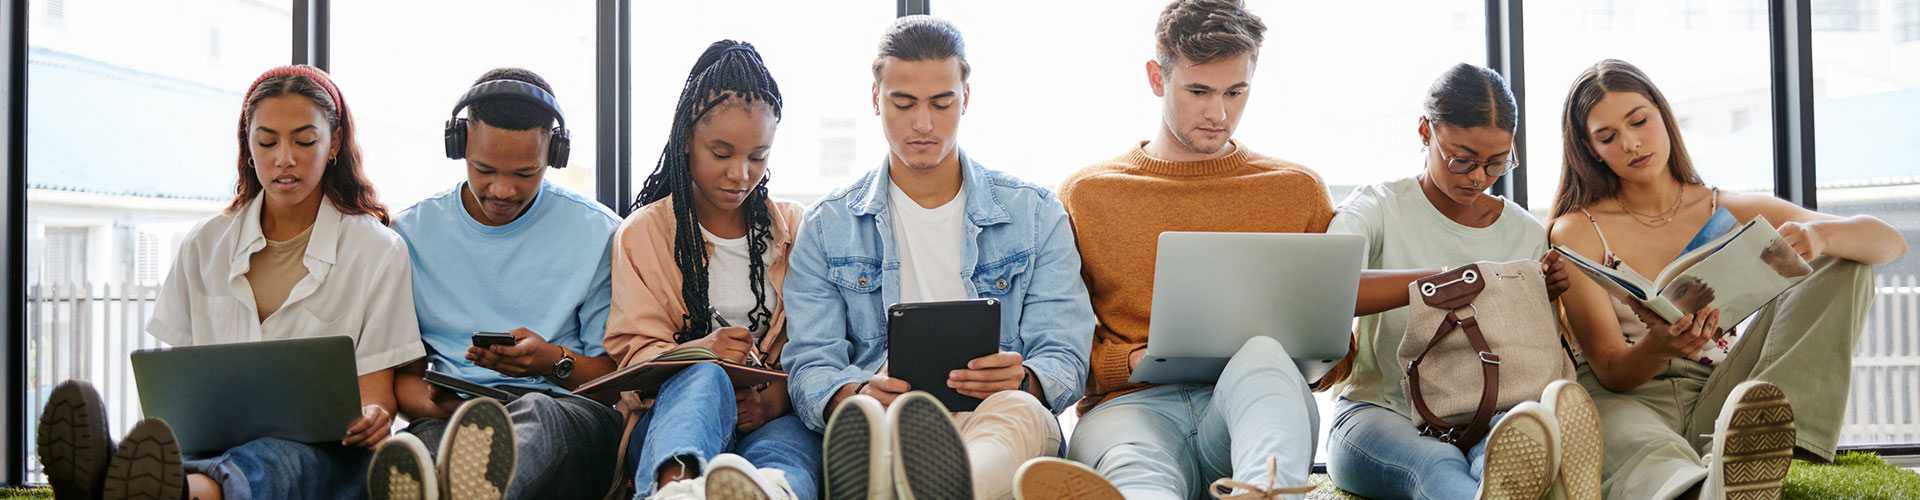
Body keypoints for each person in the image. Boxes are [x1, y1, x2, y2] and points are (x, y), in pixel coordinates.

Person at [36, 65, 423, 500]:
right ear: (248, 143)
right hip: (213, 443)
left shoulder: (378, 250)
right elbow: (180, 386)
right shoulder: (204, 244)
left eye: (304, 140)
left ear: (333, 143)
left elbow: (376, 394)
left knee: (276, 459)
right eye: (267, 141)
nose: (284, 158)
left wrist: (373, 416)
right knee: (198, 451)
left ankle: (160, 488)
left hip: (327, 453)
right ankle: (136, 480)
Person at [1547, 59, 1906, 500]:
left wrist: (1819, 235)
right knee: (1645, 448)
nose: (1632, 143)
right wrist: (1659, 345)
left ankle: (1763, 434)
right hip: (1628, 398)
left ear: (1663, 115)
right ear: (1590, 150)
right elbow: (1609, 369)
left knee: (1844, 259)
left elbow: (1888, 242)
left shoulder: (1731, 208)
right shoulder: (1577, 229)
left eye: (1639, 121)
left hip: (1724, 397)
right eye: (1608, 137)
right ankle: (1707, 485)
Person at [1017, 2, 1328, 499]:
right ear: (1156, 79)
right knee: (1139, 476)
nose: (1218, 113)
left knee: (1265, 357)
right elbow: (1058, 343)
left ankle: (1263, 491)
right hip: (1129, 410)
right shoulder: (1088, 193)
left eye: (1236, 91)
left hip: (1252, 405)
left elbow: (1339, 354)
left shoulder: (1297, 190)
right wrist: (1131, 359)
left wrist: (1313, 351)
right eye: (1198, 91)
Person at [780, 15, 1095, 500]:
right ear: (875, 99)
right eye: (903, 103)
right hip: (887, 417)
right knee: (867, 417)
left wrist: (1025, 377)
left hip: (999, 414)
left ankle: (935, 482)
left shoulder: (1034, 213)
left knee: (1018, 411)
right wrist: (857, 393)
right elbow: (809, 364)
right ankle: (907, 470)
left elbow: (1066, 356)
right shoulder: (827, 225)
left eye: (941, 102)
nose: (922, 123)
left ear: (965, 98)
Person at [1318, 63, 1602, 500]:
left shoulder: (1524, 232)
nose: (1478, 178)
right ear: (1424, 131)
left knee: (1504, 451)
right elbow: (1329, 288)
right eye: (1463, 158)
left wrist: (1541, 293)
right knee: (1437, 463)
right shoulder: (1379, 206)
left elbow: (1529, 353)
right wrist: (1446, 282)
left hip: (1489, 413)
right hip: (1379, 412)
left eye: (1496, 163)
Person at [371, 68, 623, 500]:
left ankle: (474, 481)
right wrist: (443, 404)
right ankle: (461, 479)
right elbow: (404, 380)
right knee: (419, 449)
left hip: (565, 410)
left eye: (526, 173)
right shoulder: (408, 235)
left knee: (539, 416)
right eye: (483, 169)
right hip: (449, 418)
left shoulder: (599, 232)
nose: (503, 190)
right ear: (459, 146)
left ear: (554, 154)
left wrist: (550, 361)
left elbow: (615, 383)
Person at [603, 40, 817, 500]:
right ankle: (675, 490)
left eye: (757, 156)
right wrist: (698, 353)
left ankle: (773, 492)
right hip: (671, 420)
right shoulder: (643, 234)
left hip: (772, 418)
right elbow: (631, 358)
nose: (741, 174)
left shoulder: (796, 229)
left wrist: (775, 401)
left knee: (788, 457)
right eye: (721, 153)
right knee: (703, 376)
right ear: (686, 139)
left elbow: (820, 346)